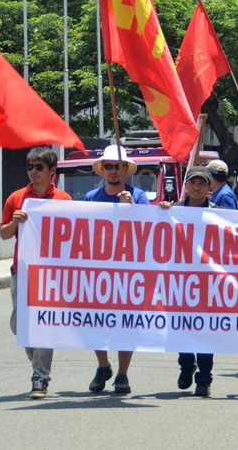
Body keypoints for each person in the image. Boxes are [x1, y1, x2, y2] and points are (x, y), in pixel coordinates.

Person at [0, 146, 72, 399]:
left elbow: (72, 234)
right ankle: (37, 365)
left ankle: (40, 377)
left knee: (43, 324)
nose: (33, 172)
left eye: (39, 167)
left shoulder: (63, 199)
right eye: (30, 167)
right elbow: (4, 233)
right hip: (22, 271)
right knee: (20, 324)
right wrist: (15, 222)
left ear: (52, 171)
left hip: (51, 274)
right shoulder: (17, 198)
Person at [84, 145, 149, 394]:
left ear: (126, 169)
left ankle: (122, 373)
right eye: (108, 166)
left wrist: (132, 207)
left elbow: (149, 229)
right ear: (103, 170)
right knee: (95, 322)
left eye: (117, 166)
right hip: (98, 270)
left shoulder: (139, 196)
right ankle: (103, 365)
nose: (113, 171)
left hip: (128, 271)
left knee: (126, 324)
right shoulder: (91, 198)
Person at [160, 167, 218, 397]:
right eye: (193, 183)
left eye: (201, 183)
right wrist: (163, 211)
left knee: (205, 332)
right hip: (179, 282)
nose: (196, 187)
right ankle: (186, 365)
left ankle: (204, 378)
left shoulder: (219, 214)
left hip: (207, 283)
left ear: (208, 187)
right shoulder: (173, 211)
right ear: (186, 186)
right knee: (181, 329)